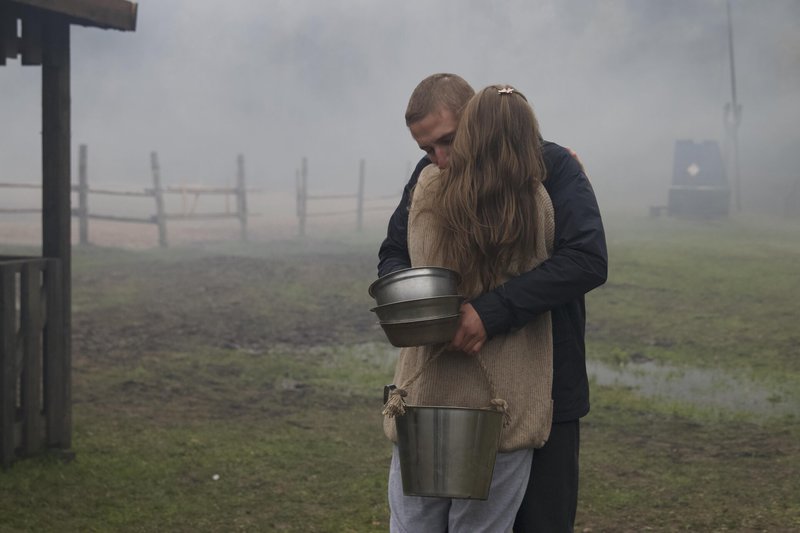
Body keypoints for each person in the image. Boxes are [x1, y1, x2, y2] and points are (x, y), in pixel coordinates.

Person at [379, 73, 607, 532]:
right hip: (440, 386)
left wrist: (490, 311)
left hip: (542, 386)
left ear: (476, 116)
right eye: (427, 149)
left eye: (448, 141)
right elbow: (395, 252)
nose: (439, 160)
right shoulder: (428, 179)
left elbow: (585, 259)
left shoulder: (550, 167)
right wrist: (415, 301)